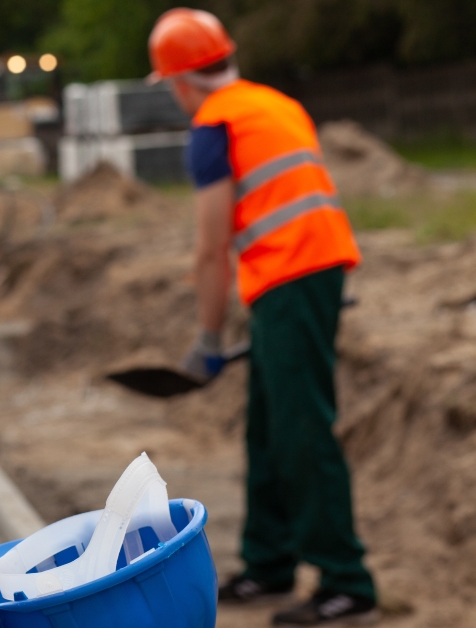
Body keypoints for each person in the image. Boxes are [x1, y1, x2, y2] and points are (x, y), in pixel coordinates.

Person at [148, 8, 378, 626]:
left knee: (301, 429)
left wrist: (208, 336)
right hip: (312, 272)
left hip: (292, 279)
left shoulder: (214, 127)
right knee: (269, 427)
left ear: (179, 82)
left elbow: (209, 248)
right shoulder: (275, 104)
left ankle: (346, 581)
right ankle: (269, 564)